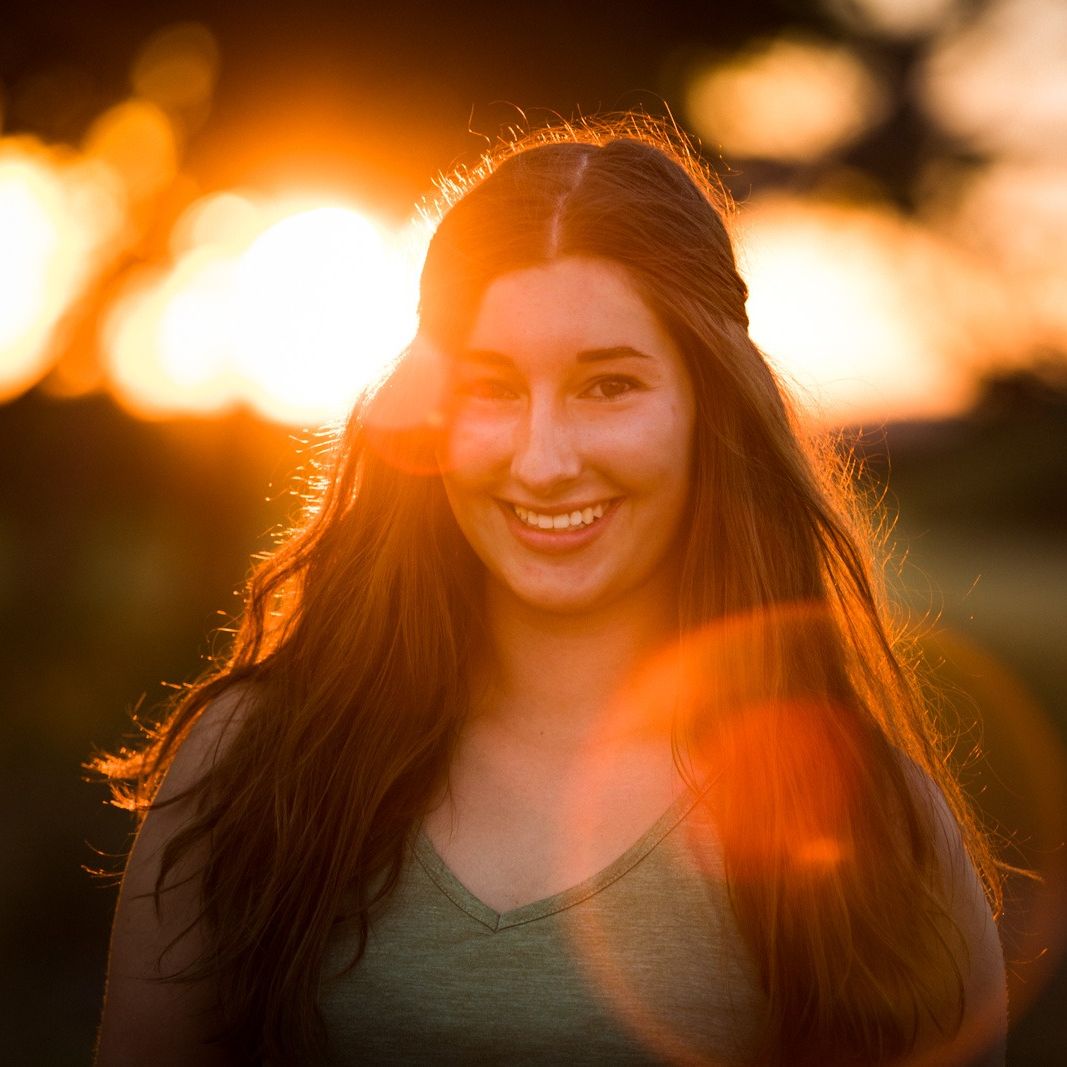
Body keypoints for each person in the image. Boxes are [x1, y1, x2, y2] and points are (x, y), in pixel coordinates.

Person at [95, 116, 1008, 1066]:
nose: (542, 461)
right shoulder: (256, 761)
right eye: (491, 388)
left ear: (711, 405)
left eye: (607, 386)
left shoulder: (868, 825)